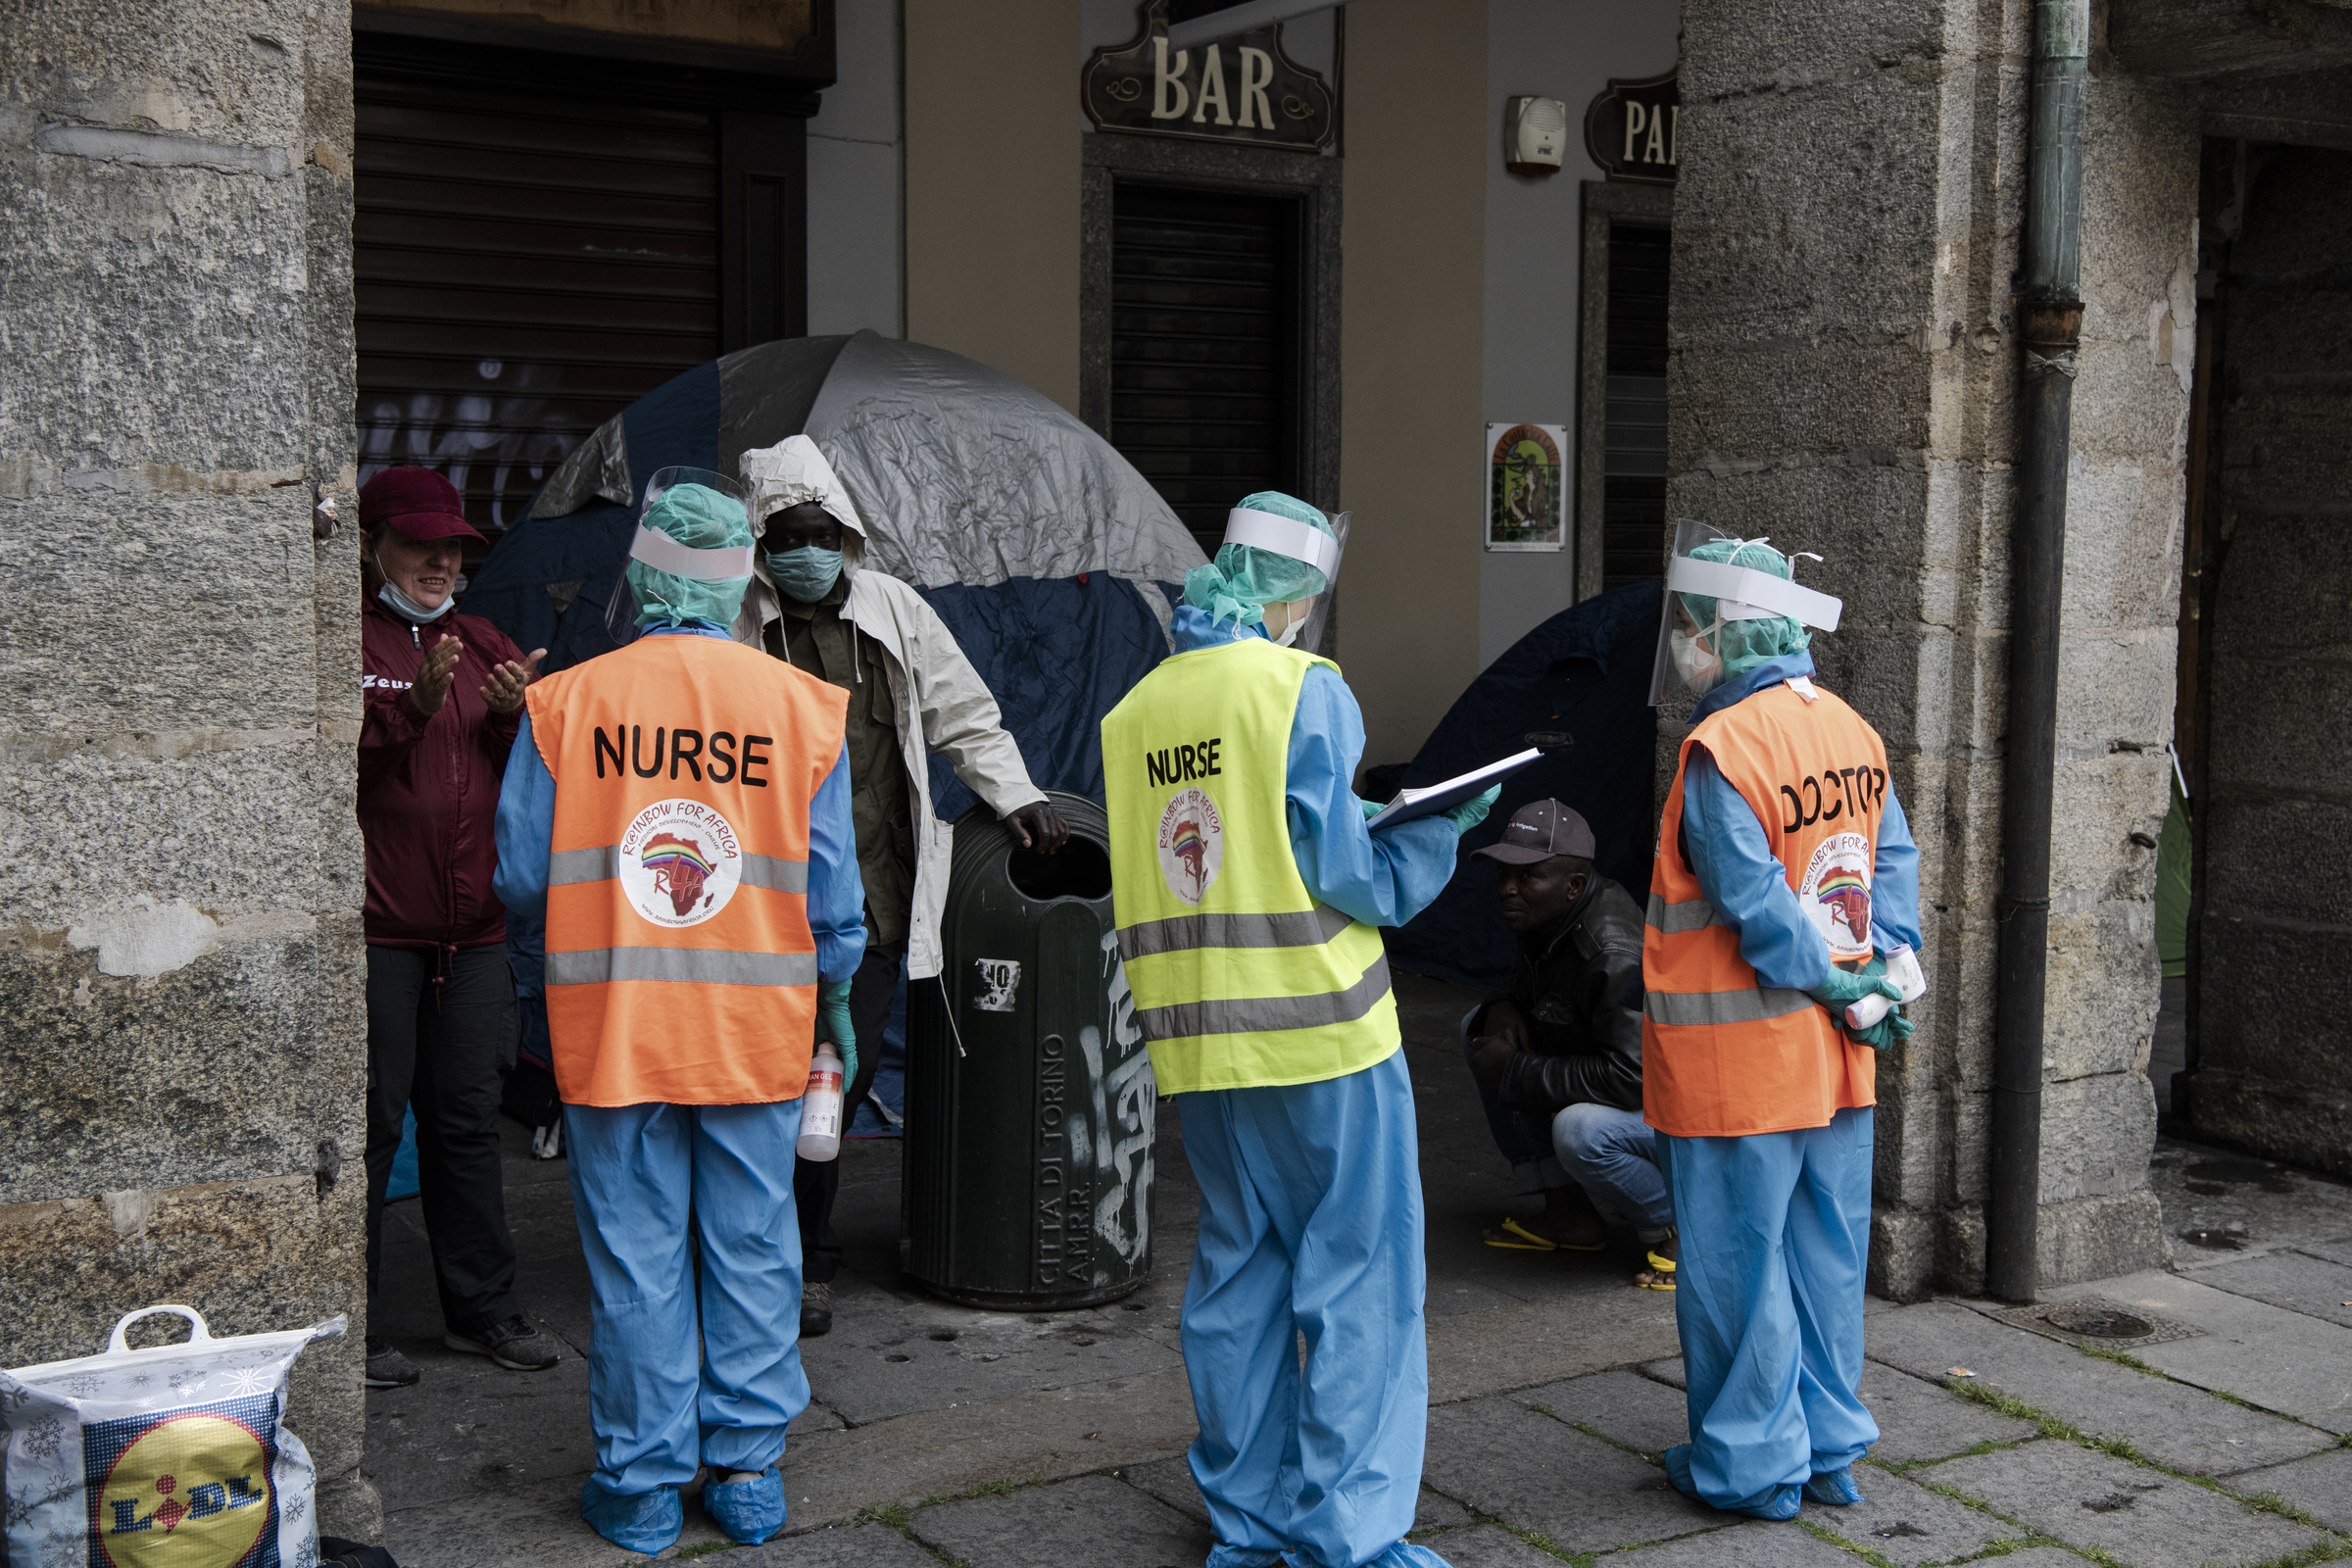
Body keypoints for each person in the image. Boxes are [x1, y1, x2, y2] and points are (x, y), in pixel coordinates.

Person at [1100, 491, 1493, 1568]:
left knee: (1242, 1273)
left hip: (1201, 1047)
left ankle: (1249, 1522)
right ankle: (1352, 1538)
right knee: (1362, 1279)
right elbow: (1345, 873)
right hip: (1325, 1037)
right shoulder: (1299, 688)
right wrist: (1432, 838)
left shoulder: (1138, 710)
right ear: (1306, 591)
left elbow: (1219, 849)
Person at [492, 473, 866, 1554]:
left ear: (643, 572)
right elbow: (832, 894)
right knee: (756, 1242)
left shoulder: (567, 703)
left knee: (637, 1252)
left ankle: (643, 1485)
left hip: (615, 1023)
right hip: (754, 1029)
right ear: (740, 576)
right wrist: (832, 996)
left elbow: (522, 876)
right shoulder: (799, 707)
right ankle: (747, 1470)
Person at [733, 435, 1067, 1339]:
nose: (807, 550)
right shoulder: (735, 617)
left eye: (822, 532)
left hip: (869, 906)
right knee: (753, 1087)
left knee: (833, 1082)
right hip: (757, 907)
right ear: (761, 543)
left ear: (847, 535)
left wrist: (1019, 795)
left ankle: (807, 1257)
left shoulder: (893, 610)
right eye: (788, 535)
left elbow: (964, 714)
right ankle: (749, 1255)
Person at [1642, 524, 1923, 1521]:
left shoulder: (1723, 745)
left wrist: (1827, 979)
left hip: (1739, 1063)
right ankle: (1830, 1446)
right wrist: (1885, 976)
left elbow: (1752, 902)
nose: (1682, 646)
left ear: (1725, 629)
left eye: (1690, 625)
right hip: (1840, 1058)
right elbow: (1893, 861)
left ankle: (1751, 1467)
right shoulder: (1850, 727)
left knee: (1736, 1271)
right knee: (1824, 1258)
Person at [356, 466, 563, 1390]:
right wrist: (408, 713)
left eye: (452, 547)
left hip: (473, 935)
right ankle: (347, 1330)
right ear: (373, 547)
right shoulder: (343, 640)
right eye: (418, 543)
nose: (439, 560)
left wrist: (515, 723)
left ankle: (483, 1311)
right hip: (377, 933)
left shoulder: (483, 642)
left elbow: (531, 781)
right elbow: (324, 767)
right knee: (366, 1129)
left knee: (468, 1124)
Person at [1463, 801, 1676, 1290]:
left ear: (1573, 885)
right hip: (1617, 1079)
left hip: (1666, 1114)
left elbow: (1631, 1078)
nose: (1507, 889)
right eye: (1503, 874)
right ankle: (1568, 1214)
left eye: (1527, 876)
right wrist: (1502, 1004)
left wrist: (1516, 1070)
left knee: (1580, 1130)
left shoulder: (1611, 950)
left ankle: (1686, 1224)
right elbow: (1532, 984)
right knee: (1476, 1029)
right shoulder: (1550, 913)